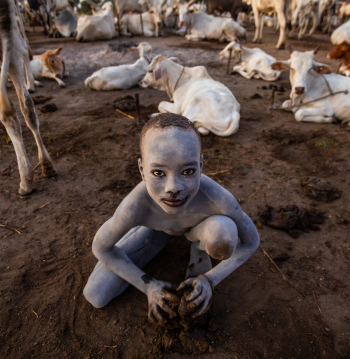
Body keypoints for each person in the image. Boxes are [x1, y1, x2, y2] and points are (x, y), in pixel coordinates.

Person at [83, 113, 260, 324]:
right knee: (96, 294)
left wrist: (210, 280)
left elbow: (252, 241)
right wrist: (148, 286)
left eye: (188, 171)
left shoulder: (217, 199)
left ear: (201, 166)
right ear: (142, 170)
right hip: (156, 231)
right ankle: (165, 242)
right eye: (158, 173)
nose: (173, 188)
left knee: (223, 233)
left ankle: (199, 248)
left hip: (201, 227)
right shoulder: (136, 206)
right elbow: (101, 247)